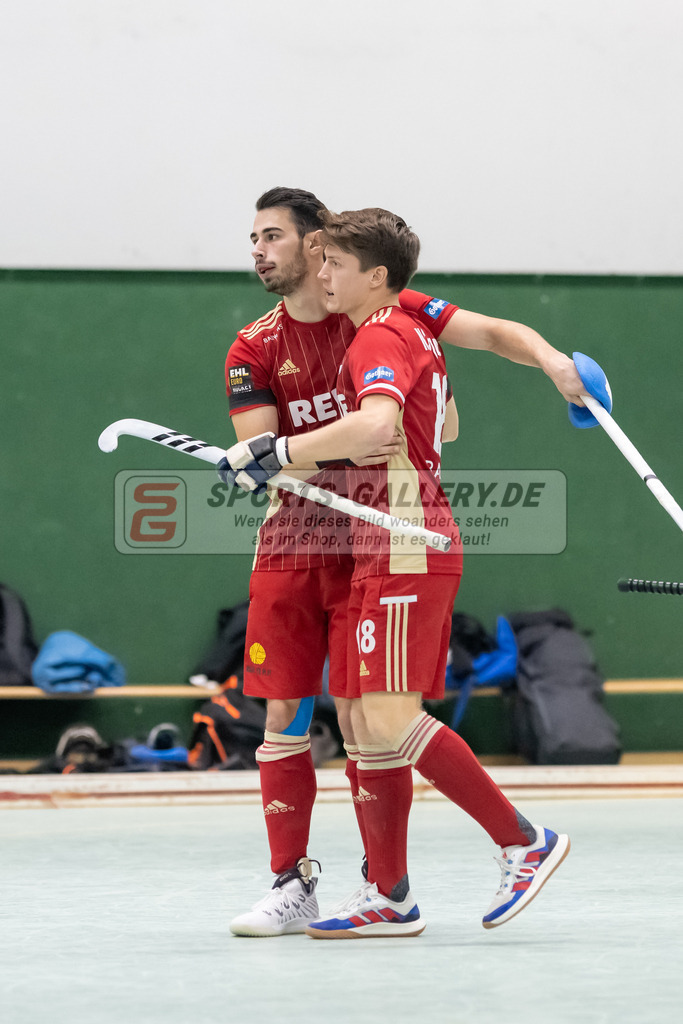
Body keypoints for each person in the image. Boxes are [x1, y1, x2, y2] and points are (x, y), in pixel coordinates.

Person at [225, 187, 582, 938]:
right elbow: (405, 419)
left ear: (352, 264)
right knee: (356, 715)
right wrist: (286, 455)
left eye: (327, 260)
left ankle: (523, 840)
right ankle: (385, 897)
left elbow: (389, 419)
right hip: (337, 543)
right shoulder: (300, 338)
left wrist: (553, 363)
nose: (316, 273)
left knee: (386, 717)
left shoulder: (386, 327)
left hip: (396, 539)